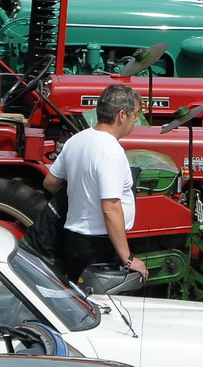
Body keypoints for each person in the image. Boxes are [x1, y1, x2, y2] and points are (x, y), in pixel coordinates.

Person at [41, 82, 150, 280]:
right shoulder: (110, 152)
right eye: (136, 114)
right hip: (98, 247)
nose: (136, 120)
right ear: (122, 115)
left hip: (73, 240)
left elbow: (50, 183)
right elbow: (110, 208)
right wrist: (127, 258)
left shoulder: (77, 140)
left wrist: (80, 190)